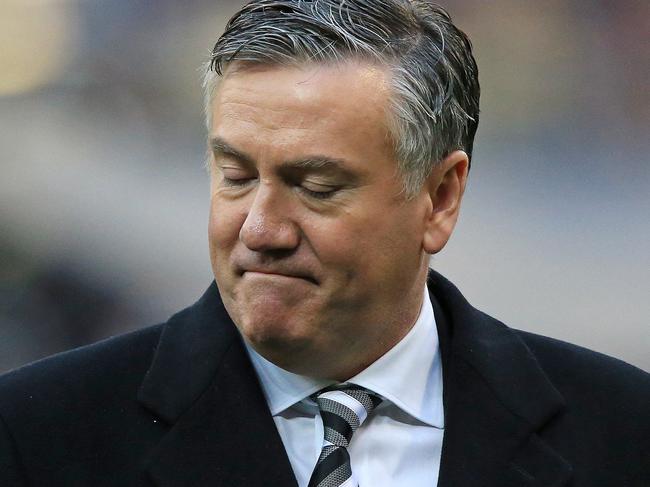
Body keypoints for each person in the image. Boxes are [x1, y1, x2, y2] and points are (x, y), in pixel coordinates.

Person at [1, 1, 648, 485]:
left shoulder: (620, 430)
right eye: (235, 176)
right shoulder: (40, 434)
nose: (260, 229)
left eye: (315, 185)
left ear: (441, 198)